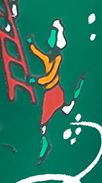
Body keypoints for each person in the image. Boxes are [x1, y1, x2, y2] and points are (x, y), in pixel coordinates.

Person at [26, 20, 86, 162]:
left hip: (53, 92)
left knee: (44, 122)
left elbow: (51, 77)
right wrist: (31, 45)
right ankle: (73, 99)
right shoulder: (50, 57)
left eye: (53, 35)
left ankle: (45, 144)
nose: (50, 38)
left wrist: (36, 81)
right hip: (51, 92)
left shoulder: (58, 58)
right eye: (50, 35)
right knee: (61, 111)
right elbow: (40, 55)